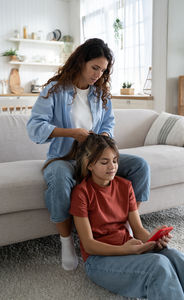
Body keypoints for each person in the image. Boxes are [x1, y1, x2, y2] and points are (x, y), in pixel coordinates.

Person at [26, 38, 150, 271]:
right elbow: (35, 128)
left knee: (139, 166)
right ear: (81, 61)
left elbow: (109, 122)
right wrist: (72, 133)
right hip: (63, 158)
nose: (98, 74)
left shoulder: (101, 93)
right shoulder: (54, 90)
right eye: (95, 67)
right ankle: (66, 243)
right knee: (60, 177)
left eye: (103, 70)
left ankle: (128, 227)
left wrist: (103, 134)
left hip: (95, 158)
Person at [70, 133, 184, 300]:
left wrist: (154, 241)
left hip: (128, 248)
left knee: (173, 255)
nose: (112, 166)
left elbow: (138, 229)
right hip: (99, 261)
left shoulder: (125, 186)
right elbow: (89, 245)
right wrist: (123, 250)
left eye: (115, 161)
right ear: (89, 165)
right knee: (158, 266)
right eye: (104, 162)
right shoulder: (81, 193)